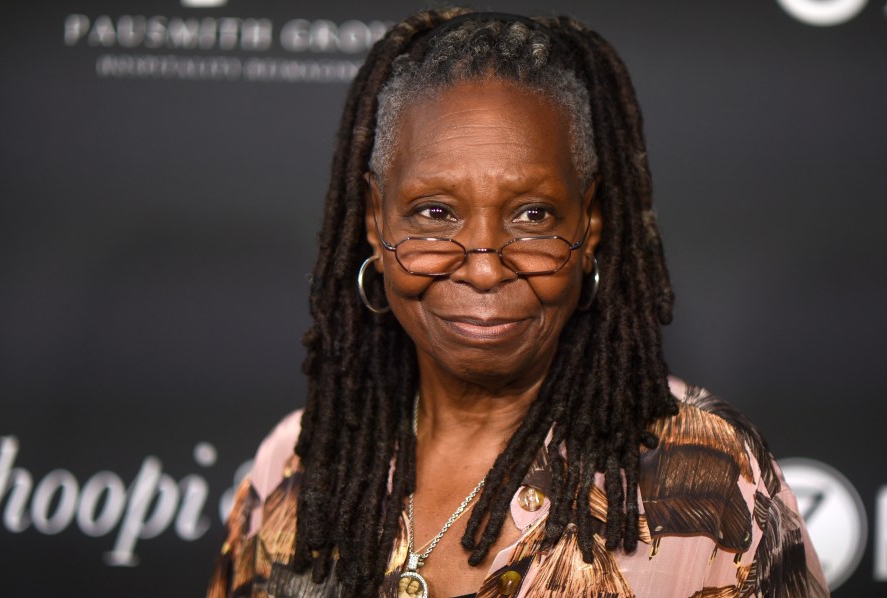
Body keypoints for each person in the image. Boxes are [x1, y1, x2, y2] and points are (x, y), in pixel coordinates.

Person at [208, 8, 828, 597]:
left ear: (590, 226)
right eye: (435, 212)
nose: (482, 267)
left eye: (532, 215)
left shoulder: (712, 474)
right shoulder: (298, 461)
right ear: (376, 219)